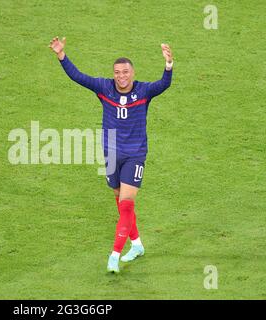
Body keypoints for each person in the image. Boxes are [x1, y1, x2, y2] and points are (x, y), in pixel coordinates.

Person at [49, 36, 173, 273]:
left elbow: (163, 85)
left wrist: (168, 65)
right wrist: (61, 56)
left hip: (135, 154)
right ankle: (136, 245)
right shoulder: (104, 88)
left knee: (126, 205)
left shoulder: (144, 91)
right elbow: (79, 77)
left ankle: (114, 255)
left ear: (133, 73)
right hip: (111, 153)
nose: (121, 76)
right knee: (118, 198)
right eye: (117, 72)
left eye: (125, 72)